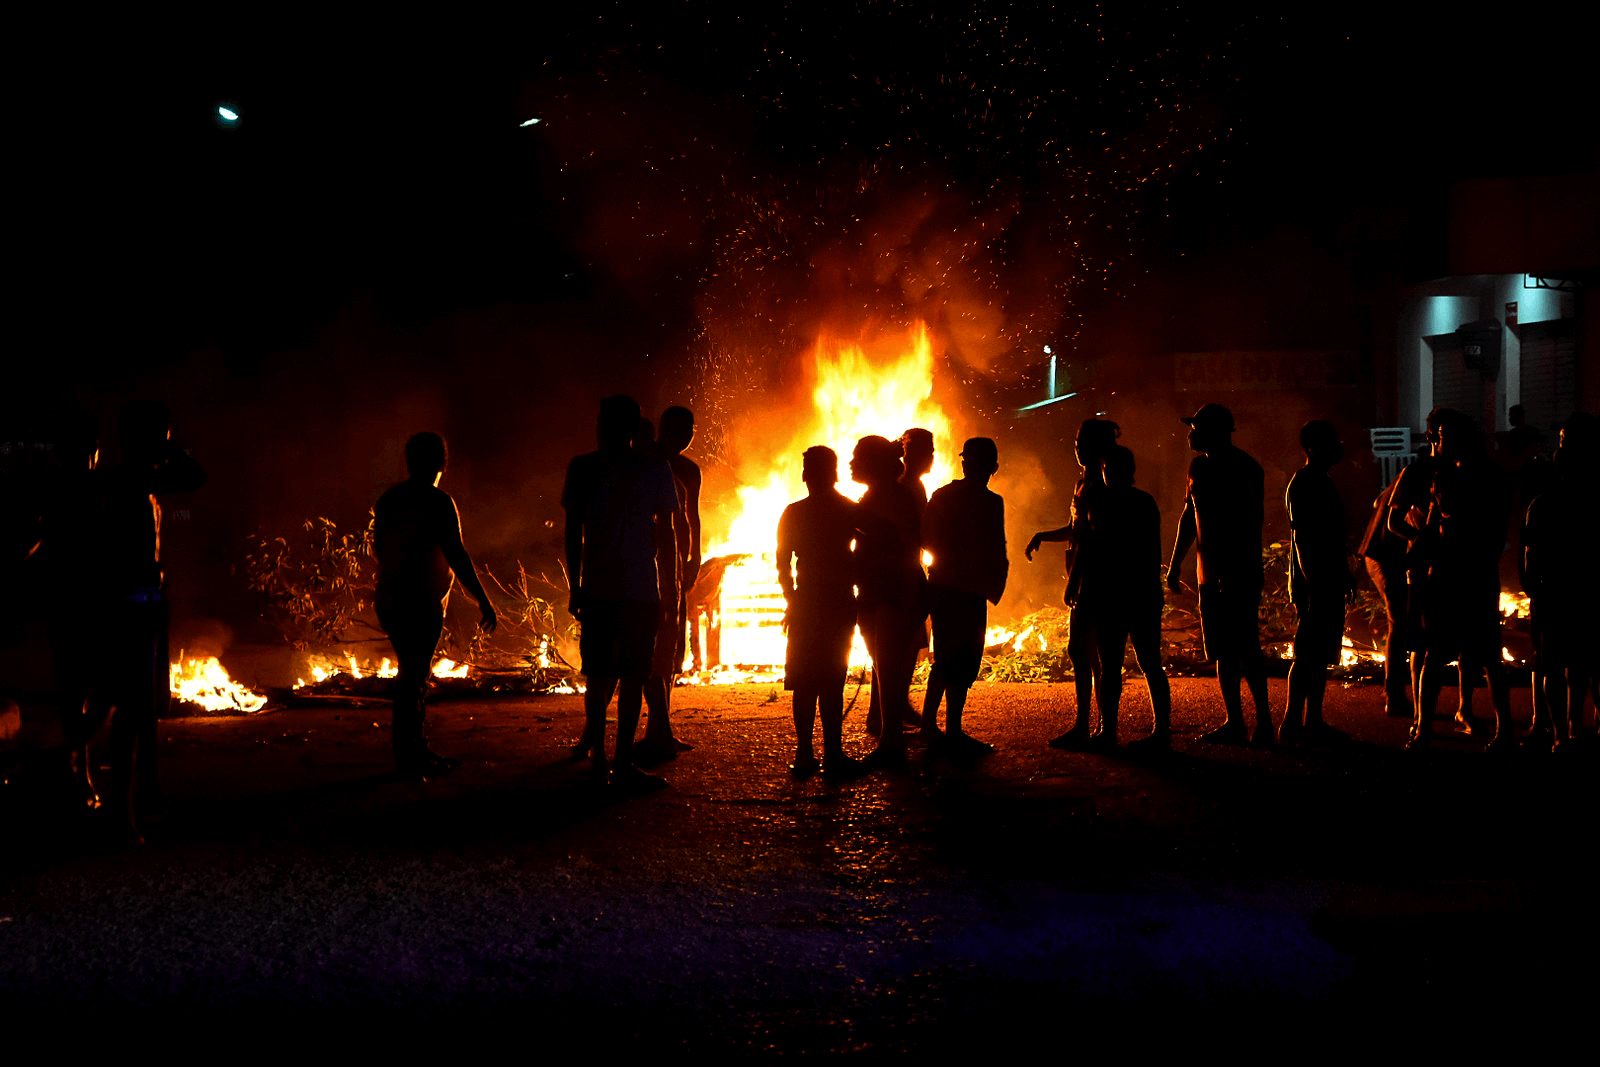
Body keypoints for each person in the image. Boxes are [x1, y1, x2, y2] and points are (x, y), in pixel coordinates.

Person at [92, 400, 206, 842]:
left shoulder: (142, 481)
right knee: (133, 710)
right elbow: (197, 476)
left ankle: (148, 798)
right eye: (162, 434)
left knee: (148, 709)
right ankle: (123, 810)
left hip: (148, 603)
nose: (168, 442)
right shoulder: (130, 480)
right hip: (130, 607)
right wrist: (166, 445)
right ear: (143, 439)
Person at [562, 395, 681, 792]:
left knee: (605, 678)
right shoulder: (652, 468)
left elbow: (573, 534)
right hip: (636, 589)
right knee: (626, 678)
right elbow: (666, 535)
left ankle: (606, 764)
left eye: (604, 421)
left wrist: (575, 587)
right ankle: (618, 764)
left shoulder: (586, 467)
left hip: (606, 588)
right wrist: (668, 587)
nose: (600, 427)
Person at [373, 432, 498, 780]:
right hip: (422, 603)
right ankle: (409, 758)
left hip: (390, 600)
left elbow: (379, 549)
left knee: (412, 674)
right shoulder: (439, 501)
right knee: (414, 677)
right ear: (443, 462)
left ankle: (414, 749)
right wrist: (483, 600)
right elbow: (456, 554)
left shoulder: (389, 500)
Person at [1166, 403, 1273, 746]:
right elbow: (1188, 517)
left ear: (1214, 432)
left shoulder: (1245, 469)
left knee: (1245, 647)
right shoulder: (1198, 466)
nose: (1190, 434)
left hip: (1238, 573)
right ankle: (1236, 722)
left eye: (1195, 428)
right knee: (1222, 651)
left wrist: (1231, 569)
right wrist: (1174, 564)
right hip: (1209, 575)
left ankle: (1265, 723)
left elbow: (1248, 524)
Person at [1409, 411, 1516, 752]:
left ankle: (1424, 730)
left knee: (1439, 656)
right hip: (1475, 576)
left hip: (1453, 577)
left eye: (1442, 436)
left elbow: (1442, 524)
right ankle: (1503, 732)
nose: (1437, 442)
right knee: (1485, 656)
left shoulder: (1452, 478)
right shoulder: (1486, 476)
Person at [1026, 418, 1121, 749]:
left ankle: (1098, 728)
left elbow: (1090, 542)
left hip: (1095, 581)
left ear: (1099, 448)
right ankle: (1093, 726)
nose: (1077, 447)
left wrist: (1075, 583)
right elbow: (1074, 529)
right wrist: (1044, 536)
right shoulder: (1083, 484)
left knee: (1090, 654)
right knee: (1086, 655)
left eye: (1083, 443)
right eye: (1076, 442)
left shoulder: (1103, 488)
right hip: (1084, 578)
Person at [1386, 408, 1480, 735]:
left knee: (1466, 643)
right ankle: (1419, 714)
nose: (1448, 442)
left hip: (1458, 569)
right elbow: (1393, 521)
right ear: (1433, 438)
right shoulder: (1417, 472)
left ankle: (1463, 710)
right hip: (1424, 572)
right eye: (1443, 435)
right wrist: (1423, 539)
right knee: (1421, 644)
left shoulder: (1467, 473)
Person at [30, 410, 104, 808]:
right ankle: (75, 767)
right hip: (85, 601)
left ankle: (77, 769)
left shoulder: (55, 487)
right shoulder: (94, 486)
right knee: (95, 693)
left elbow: (34, 539)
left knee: (78, 694)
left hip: (68, 600)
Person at [777, 446, 865, 778]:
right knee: (831, 680)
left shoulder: (794, 512)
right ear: (835, 473)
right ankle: (832, 754)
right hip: (839, 601)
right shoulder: (848, 510)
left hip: (808, 601)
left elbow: (783, 561)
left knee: (804, 681)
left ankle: (805, 754)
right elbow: (870, 547)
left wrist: (792, 598)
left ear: (807, 475)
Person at [1082, 445, 1173, 750]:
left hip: (1119, 594)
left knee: (1115, 665)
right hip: (1138, 592)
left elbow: (1095, 551)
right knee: (1148, 663)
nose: (1105, 474)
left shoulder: (1104, 503)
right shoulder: (1142, 502)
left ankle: (1111, 731)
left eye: (1108, 469)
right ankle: (1157, 731)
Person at [921, 438, 1008, 754]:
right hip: (966, 590)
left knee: (950, 658)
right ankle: (944, 730)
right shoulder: (989, 502)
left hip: (949, 587)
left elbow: (927, 539)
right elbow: (996, 546)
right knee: (958, 659)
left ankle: (938, 729)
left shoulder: (946, 496)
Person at [1520, 412, 1597, 751]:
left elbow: (1529, 552)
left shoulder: (1543, 503)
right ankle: (1575, 727)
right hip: (1583, 591)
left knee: (1552, 664)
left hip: (1552, 592)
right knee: (1579, 664)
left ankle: (1559, 733)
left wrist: (1532, 588)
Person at [851, 435, 924, 769]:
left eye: (857, 458)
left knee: (890, 667)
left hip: (893, 592)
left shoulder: (890, 498)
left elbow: (897, 545)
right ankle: (887, 733)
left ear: (874, 464)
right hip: (884, 591)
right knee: (885, 665)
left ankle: (891, 743)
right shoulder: (881, 495)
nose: (851, 464)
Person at [1280, 421, 1354, 745]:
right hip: (1316, 583)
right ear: (1312, 447)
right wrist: (1312, 584)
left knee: (1320, 654)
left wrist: (1344, 573)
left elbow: (1332, 538)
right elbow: (1303, 539)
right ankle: (1292, 722)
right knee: (1307, 654)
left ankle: (1313, 720)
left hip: (1327, 580)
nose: (1338, 446)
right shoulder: (1305, 483)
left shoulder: (1320, 481)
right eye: (1331, 441)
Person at [865, 426, 936, 735]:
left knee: (897, 651)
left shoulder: (910, 485)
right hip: (901, 576)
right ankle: (886, 714)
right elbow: (916, 531)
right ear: (914, 454)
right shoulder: (905, 488)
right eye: (928, 451)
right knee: (897, 651)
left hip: (904, 572)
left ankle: (884, 711)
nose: (932, 457)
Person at [632, 415, 693, 766]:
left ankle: (659, 732)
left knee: (660, 658)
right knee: (650, 660)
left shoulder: (660, 475)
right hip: (645, 581)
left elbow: (673, 531)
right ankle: (658, 733)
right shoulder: (642, 476)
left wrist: (674, 581)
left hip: (656, 580)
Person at [1357, 466, 1411, 719]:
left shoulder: (1411, 474)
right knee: (1400, 621)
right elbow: (1393, 521)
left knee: (1406, 620)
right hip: (1385, 555)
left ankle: (1402, 691)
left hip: (1393, 555)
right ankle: (1394, 695)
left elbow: (1378, 500)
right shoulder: (1419, 474)